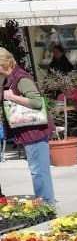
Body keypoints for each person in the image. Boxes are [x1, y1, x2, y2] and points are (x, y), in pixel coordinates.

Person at [0, 47, 55, 202]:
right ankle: (45, 202)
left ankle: (46, 204)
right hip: (28, 130)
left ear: (3, 64)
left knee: (39, 171)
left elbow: (37, 102)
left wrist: (11, 97)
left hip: (35, 130)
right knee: (37, 169)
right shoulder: (11, 78)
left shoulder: (21, 78)